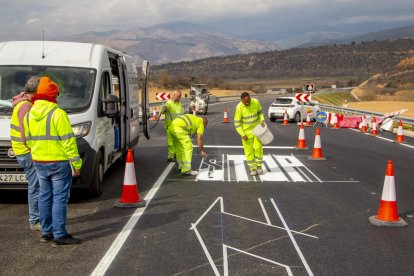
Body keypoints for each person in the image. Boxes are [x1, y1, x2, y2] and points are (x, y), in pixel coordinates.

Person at [24, 76, 82, 247]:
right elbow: (68, 141)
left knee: (44, 197)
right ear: (52, 95)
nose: (57, 97)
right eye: (56, 94)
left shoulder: (29, 114)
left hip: (39, 161)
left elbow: (28, 140)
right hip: (58, 162)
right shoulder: (58, 114)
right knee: (59, 199)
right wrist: (76, 164)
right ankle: (60, 235)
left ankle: (46, 232)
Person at [10, 76, 41, 231]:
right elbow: (25, 135)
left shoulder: (22, 102)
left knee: (35, 185)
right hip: (26, 152)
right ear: (36, 91)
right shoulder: (26, 106)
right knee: (35, 186)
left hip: (21, 151)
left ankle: (37, 218)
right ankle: (35, 220)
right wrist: (34, 149)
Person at [234, 92, 265, 176]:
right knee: (249, 151)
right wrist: (242, 134)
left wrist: (262, 120)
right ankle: (253, 168)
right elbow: (237, 123)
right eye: (245, 102)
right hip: (246, 134)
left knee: (258, 148)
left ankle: (259, 166)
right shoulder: (239, 107)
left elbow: (260, 113)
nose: (247, 103)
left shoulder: (255, 102)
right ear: (242, 101)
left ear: (250, 98)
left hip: (257, 130)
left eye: (249, 101)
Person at [161, 90, 184, 162]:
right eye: (178, 97)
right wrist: (164, 109)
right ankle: (170, 156)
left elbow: (181, 114)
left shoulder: (179, 104)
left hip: (178, 126)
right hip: (170, 125)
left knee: (177, 141)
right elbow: (162, 111)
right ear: (174, 95)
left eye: (180, 97)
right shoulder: (169, 103)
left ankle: (176, 154)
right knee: (171, 142)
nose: (179, 98)